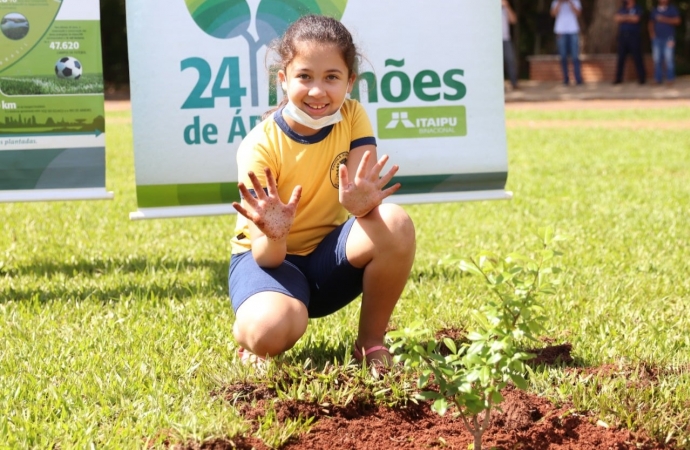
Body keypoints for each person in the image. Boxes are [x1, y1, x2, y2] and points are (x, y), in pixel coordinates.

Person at [228, 15, 416, 366]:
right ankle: (249, 336)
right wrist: (276, 233)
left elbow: (363, 191)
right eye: (304, 77)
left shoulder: (353, 114)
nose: (318, 91)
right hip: (269, 263)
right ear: (283, 80)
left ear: (350, 82)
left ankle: (371, 343)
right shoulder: (259, 146)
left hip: (326, 263)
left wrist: (360, 204)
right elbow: (266, 256)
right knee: (269, 331)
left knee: (394, 221)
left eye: (332, 77)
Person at [550, 0, 584, 86]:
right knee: (563, 56)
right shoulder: (556, 1)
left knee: (575, 56)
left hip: (573, 30)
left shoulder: (575, 1)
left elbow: (578, 13)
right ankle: (566, 79)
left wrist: (570, 2)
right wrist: (560, 3)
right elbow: (553, 14)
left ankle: (578, 79)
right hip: (560, 31)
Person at [613, 0, 646, 84]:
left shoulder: (637, 8)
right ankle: (618, 78)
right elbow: (617, 18)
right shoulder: (622, 8)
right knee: (621, 58)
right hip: (623, 36)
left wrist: (624, 17)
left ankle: (642, 78)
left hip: (634, 36)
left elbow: (636, 19)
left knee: (637, 57)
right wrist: (629, 17)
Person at [648, 0, 681, 85]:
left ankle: (670, 79)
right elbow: (651, 23)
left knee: (668, 59)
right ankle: (657, 79)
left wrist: (663, 19)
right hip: (657, 39)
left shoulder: (672, 9)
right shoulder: (655, 10)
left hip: (669, 38)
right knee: (657, 59)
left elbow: (677, 21)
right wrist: (652, 34)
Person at [502, 0, 519, 90]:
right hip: (492, 41)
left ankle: (514, 83)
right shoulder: (489, 10)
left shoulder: (505, 9)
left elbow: (513, 20)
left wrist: (507, 6)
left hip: (506, 39)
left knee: (510, 60)